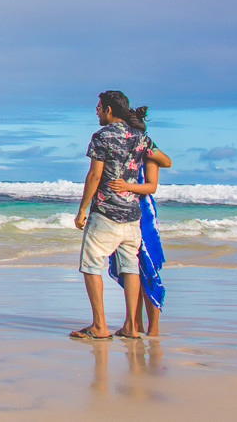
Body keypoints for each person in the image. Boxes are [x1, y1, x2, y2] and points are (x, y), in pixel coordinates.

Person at [70, 91, 162, 341]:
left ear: (109, 110)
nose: (97, 111)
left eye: (99, 107)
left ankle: (99, 326)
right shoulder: (141, 137)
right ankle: (131, 326)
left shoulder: (102, 136)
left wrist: (82, 209)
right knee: (131, 268)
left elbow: (95, 176)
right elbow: (161, 160)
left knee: (90, 266)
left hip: (106, 212)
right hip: (132, 214)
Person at [108, 115, 171, 337]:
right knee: (130, 270)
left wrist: (126, 185)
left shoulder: (147, 152)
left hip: (143, 214)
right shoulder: (123, 153)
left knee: (147, 268)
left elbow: (151, 186)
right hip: (122, 212)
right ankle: (134, 324)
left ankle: (152, 329)